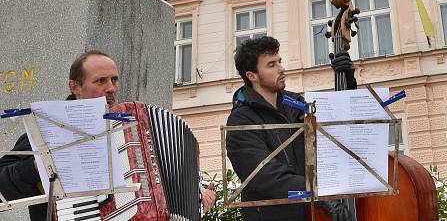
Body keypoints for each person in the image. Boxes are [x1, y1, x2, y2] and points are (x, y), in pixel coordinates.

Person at [0, 51, 215, 220]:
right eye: (100, 81)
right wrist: (38, 166)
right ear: (74, 87)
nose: (111, 88)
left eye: (114, 80)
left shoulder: (132, 124)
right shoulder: (51, 127)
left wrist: (197, 195)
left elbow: (163, 178)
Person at [226, 36, 355, 221]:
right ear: (251, 76)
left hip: (310, 214)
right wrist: (316, 191)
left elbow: (340, 134)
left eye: (280, 61)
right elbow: (266, 175)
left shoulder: (298, 104)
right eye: (271, 65)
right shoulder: (241, 120)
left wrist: (348, 83)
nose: (282, 69)